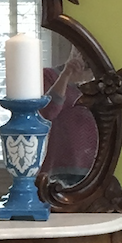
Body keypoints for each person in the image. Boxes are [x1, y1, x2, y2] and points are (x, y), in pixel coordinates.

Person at [40, 46, 98, 185]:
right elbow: (48, 112)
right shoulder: (50, 75)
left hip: (97, 167)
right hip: (59, 167)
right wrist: (65, 75)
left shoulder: (106, 82)